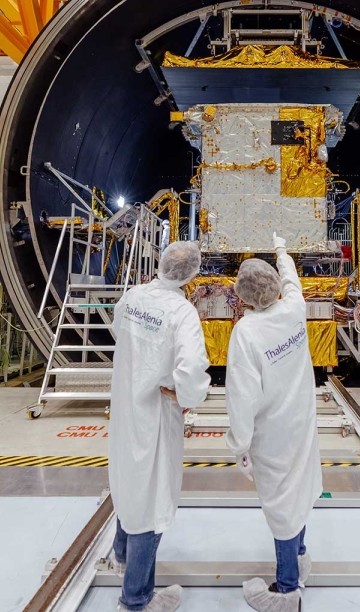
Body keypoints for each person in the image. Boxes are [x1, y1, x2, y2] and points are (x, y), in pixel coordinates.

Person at [108, 240, 211, 612]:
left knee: (128, 481)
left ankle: (120, 556)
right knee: (150, 500)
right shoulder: (182, 313)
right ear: (191, 274)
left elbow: (120, 329)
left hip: (126, 404)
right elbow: (192, 369)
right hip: (154, 413)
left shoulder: (133, 297)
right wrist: (184, 394)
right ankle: (135, 599)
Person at [226, 232, 322, 612]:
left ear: (242, 295)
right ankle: (299, 561)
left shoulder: (246, 333)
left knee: (282, 505)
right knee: (298, 492)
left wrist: (239, 445)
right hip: (302, 420)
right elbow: (292, 281)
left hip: (273, 432)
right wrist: (281, 250)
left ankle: (286, 591)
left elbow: (242, 397)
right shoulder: (293, 309)